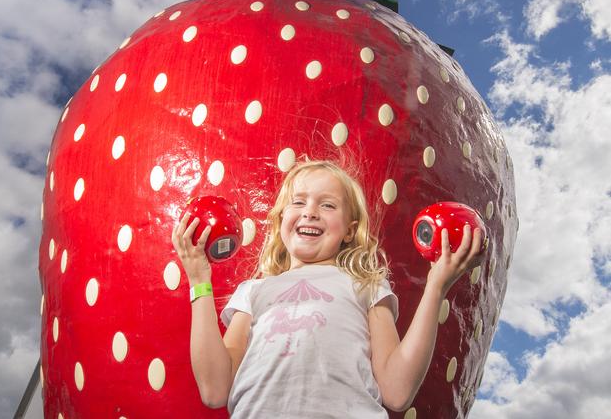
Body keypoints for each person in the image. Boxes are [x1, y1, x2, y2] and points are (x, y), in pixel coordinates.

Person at [172, 159, 484, 418]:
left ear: (350, 230)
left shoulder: (366, 285)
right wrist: (199, 281)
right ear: (282, 218)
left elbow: (397, 391)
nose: (310, 212)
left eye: (328, 205)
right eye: (298, 201)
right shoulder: (253, 291)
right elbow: (214, 390)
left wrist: (436, 285)